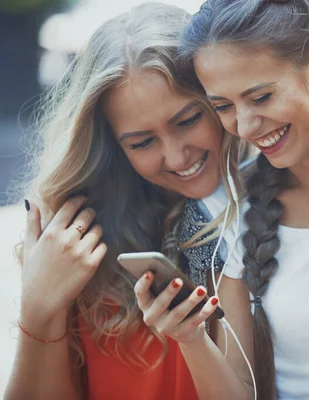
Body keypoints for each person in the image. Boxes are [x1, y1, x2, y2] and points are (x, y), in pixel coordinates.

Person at [135, 0, 309, 399]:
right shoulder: (232, 208)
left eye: (261, 97)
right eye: (222, 106)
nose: (244, 125)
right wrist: (190, 339)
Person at [5, 3, 247, 399]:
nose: (176, 156)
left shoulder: (273, 202)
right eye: (142, 142)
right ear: (112, 146)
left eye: (188, 120)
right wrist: (38, 305)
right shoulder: (79, 245)